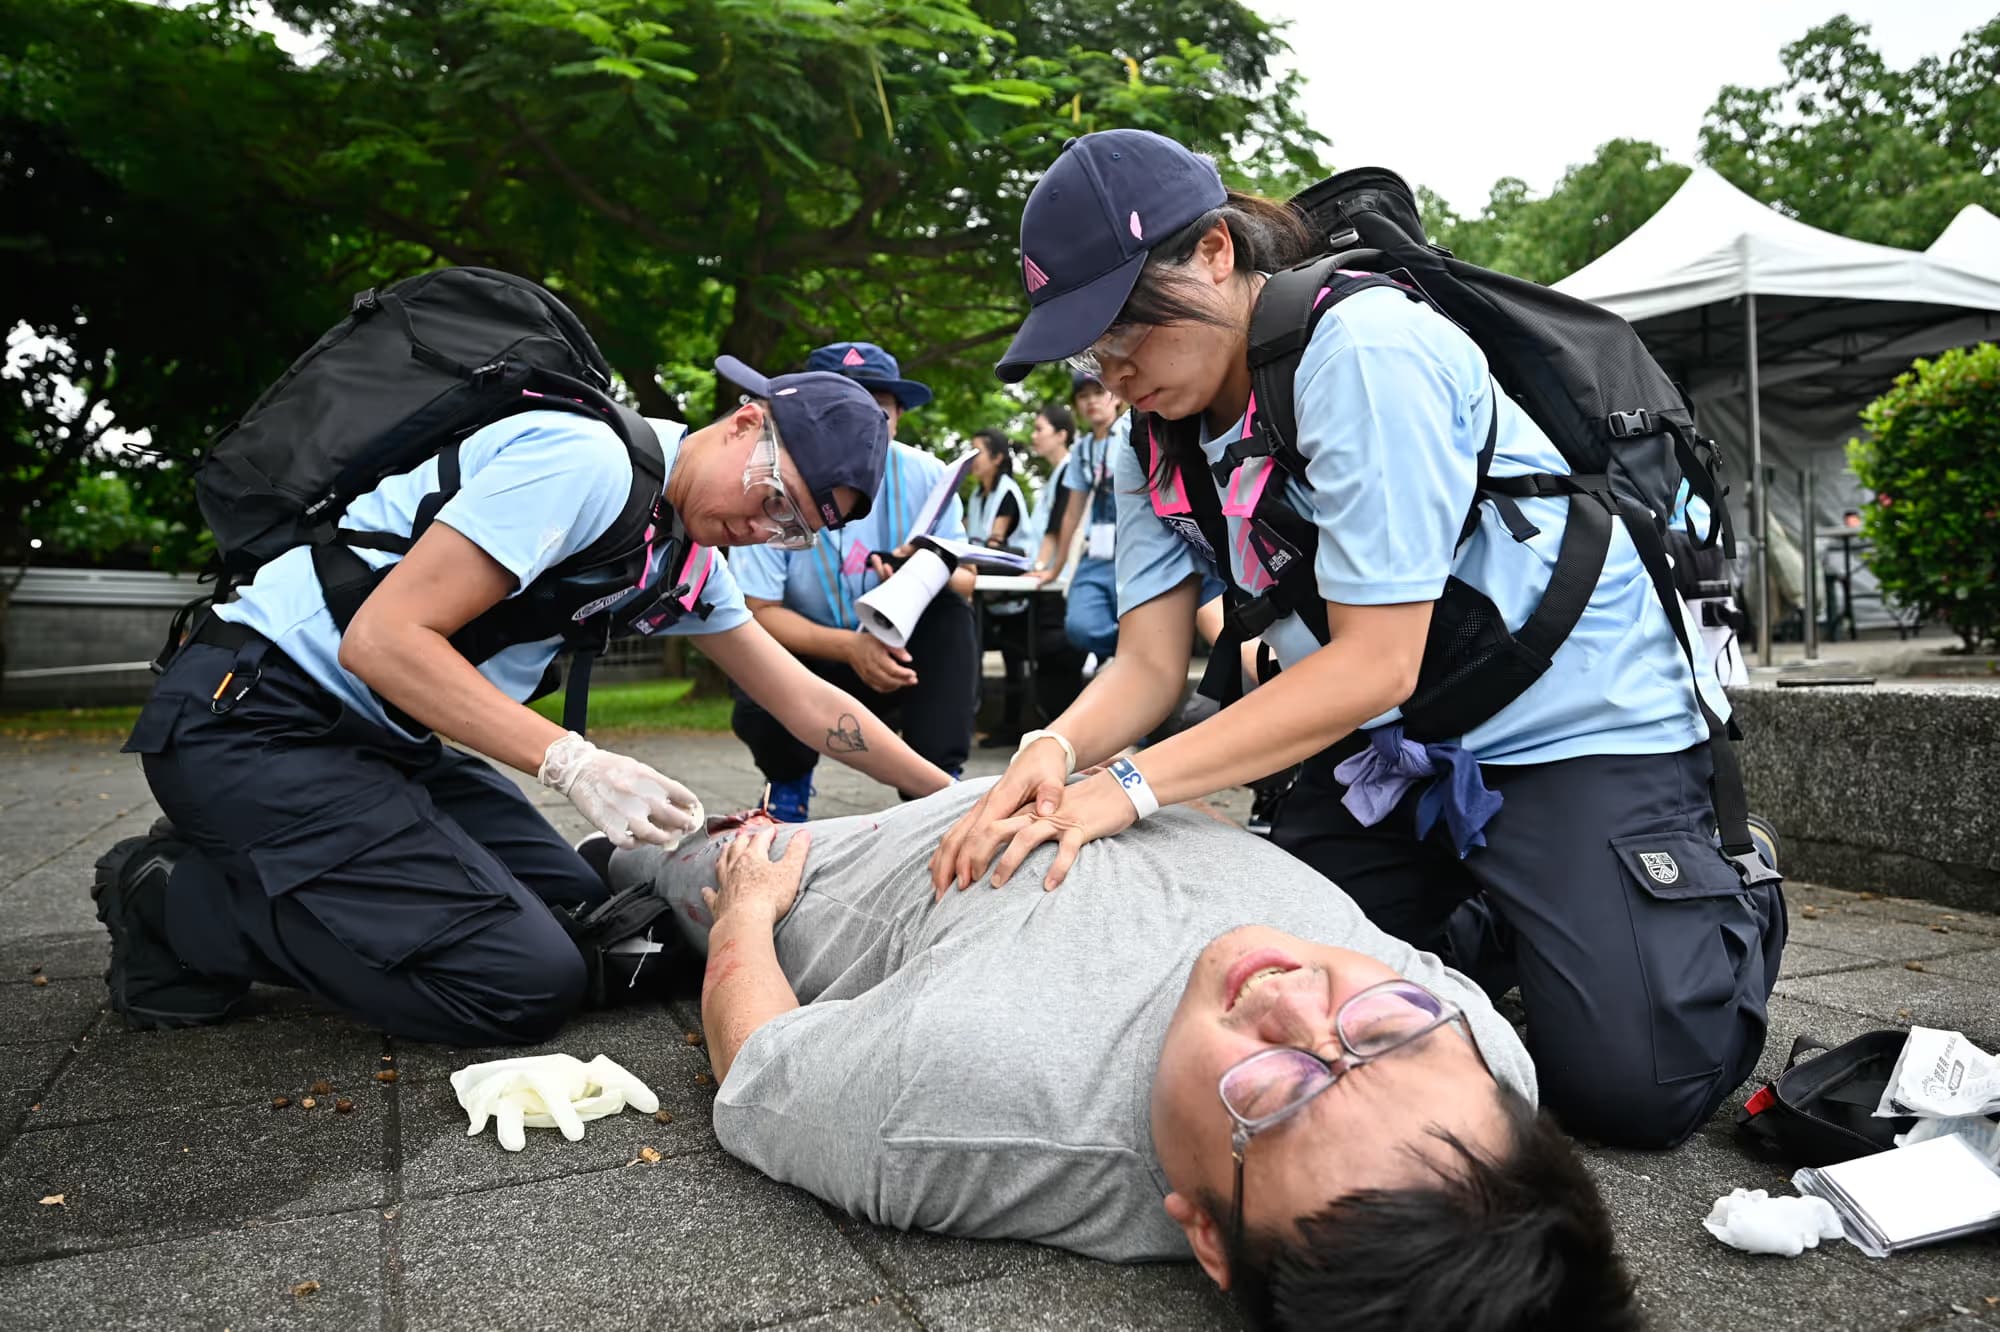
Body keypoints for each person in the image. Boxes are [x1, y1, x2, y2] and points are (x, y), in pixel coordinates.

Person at [935, 129, 1787, 1150]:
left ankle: (1716, 896)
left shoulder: (1363, 347)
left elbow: (1372, 658)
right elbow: (1148, 664)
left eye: (1125, 324)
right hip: (1394, 749)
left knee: (1633, 1093)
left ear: (1212, 252)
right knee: (1246, 1000)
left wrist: (1123, 789)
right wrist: (1052, 750)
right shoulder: (1147, 438)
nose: (1114, 371)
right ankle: (1498, 912)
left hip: (1570, 720)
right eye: (1088, 348)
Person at [94, 357, 952, 1046]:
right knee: (521, 983)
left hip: (386, 748)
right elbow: (383, 641)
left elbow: (802, 699)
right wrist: (569, 759)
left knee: (625, 935)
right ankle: (171, 895)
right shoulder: (585, 462)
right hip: (255, 721)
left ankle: (281, 857)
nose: (764, 529)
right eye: (772, 497)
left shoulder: (679, 557)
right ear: (743, 422)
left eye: (793, 529)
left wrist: (948, 798)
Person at [612, 783, 1639, 1330]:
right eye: (1384, 1034)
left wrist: (746, 913)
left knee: (652, 854)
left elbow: (756, 1067)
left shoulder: (957, 1096)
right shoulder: (1486, 1057)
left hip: (825, 864)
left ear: (1204, 1239)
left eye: (1276, 1094)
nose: (1289, 997)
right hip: (1043, 792)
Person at [729, 340, 980, 822]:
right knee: (752, 654)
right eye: (840, 410)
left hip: (900, 649)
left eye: (878, 409)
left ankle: (938, 786)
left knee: (951, 614)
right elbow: (758, 612)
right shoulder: (771, 480)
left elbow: (965, 579)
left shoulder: (928, 474)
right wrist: (849, 647)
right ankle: (786, 780)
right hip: (815, 652)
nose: (862, 426)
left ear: (900, 415)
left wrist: (924, 571)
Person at [1030, 370, 1128, 665]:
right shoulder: (1082, 450)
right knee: (1079, 627)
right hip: (1094, 553)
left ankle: (1133, 661)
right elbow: (1072, 512)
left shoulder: (1132, 433)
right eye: (1083, 396)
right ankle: (1130, 654)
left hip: (1133, 549)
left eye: (1099, 393)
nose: (1091, 402)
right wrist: (1054, 567)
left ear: (1117, 398)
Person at [964, 428, 1026, 550]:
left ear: (997, 458)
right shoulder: (976, 494)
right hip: (979, 558)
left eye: (977, 452)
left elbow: (995, 540)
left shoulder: (1007, 492)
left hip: (1008, 565)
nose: (973, 458)